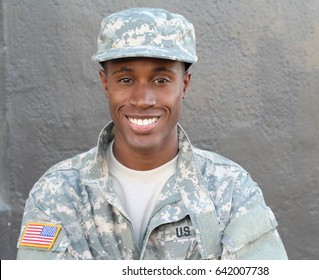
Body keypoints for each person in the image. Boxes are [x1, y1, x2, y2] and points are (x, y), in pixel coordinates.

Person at [16, 7, 288, 260]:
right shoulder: (57, 194)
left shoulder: (230, 191)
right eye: (126, 80)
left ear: (184, 84)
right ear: (105, 83)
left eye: (161, 80)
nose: (143, 99)